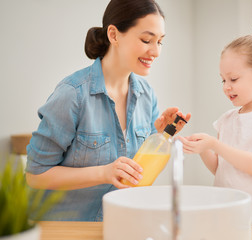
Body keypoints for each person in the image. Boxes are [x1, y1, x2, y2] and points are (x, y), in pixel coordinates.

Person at [25, 0, 190, 221]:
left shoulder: (146, 95)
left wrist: (161, 136)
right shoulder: (72, 94)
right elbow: (35, 175)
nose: (156, 51)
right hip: (69, 230)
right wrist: (103, 172)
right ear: (113, 35)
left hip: (121, 225)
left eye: (160, 42)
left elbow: (137, 177)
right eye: (146, 40)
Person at [177, 24, 252, 225]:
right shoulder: (227, 119)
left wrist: (214, 145)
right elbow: (220, 169)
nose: (226, 87)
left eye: (233, 79)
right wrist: (203, 147)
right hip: (228, 215)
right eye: (222, 80)